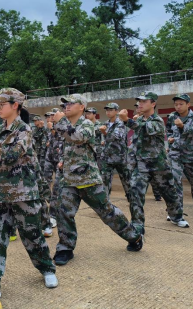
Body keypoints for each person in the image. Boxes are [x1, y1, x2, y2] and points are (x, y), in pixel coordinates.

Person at [0, 88, 57, 302]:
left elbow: (11, 156)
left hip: (23, 193)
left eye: (2, 103)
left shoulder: (24, 129)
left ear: (15, 105)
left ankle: (47, 269)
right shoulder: (0, 129)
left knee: (32, 236)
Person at [52, 94, 143, 267]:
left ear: (82, 107)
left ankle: (134, 236)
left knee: (107, 212)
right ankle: (65, 248)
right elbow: (70, 147)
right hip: (69, 179)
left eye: (71, 103)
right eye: (65, 104)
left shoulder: (87, 124)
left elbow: (78, 137)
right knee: (63, 212)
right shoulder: (67, 125)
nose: (66, 106)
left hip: (88, 179)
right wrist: (63, 160)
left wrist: (61, 122)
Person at [120, 91, 188, 231]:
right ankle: (137, 225)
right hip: (141, 165)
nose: (140, 104)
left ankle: (176, 217)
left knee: (169, 193)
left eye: (144, 101)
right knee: (135, 194)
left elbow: (144, 128)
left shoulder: (157, 121)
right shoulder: (138, 120)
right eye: (139, 101)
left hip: (159, 165)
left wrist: (127, 120)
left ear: (153, 104)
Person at [99, 103, 130, 199]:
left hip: (120, 156)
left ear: (116, 111)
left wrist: (105, 132)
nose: (108, 112)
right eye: (107, 110)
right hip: (107, 156)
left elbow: (117, 136)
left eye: (111, 110)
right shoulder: (105, 123)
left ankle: (132, 200)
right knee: (105, 180)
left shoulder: (121, 123)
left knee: (126, 180)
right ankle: (105, 202)